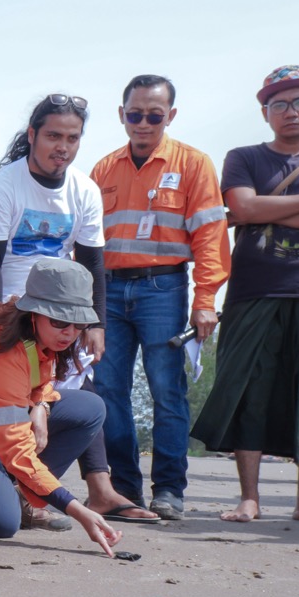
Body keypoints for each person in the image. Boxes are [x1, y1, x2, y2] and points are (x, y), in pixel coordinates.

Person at [0, 93, 156, 528]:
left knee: (77, 395)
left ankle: (76, 489)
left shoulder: (84, 189)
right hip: (10, 304)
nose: (62, 146)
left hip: (62, 306)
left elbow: (91, 262)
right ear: (32, 135)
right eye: (52, 135)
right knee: (4, 401)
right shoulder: (2, 187)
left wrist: (96, 323)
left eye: (72, 138)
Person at [192, 65, 299, 527]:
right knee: (250, 389)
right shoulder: (243, 156)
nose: (291, 112)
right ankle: (250, 497)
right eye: (280, 104)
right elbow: (243, 206)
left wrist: (268, 211)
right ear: (265, 112)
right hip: (253, 289)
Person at [89, 75, 230, 520]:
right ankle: (124, 488)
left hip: (163, 288)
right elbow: (85, 242)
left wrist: (205, 299)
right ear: (121, 115)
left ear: (170, 116)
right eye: (135, 114)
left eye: (154, 115)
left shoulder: (194, 164)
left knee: (168, 390)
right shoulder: (103, 168)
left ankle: (169, 489)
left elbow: (210, 236)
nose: (144, 123)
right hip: (107, 290)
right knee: (109, 390)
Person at [0, 258, 122, 556]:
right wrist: (78, 510)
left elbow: (42, 381)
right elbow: (15, 450)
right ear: (33, 313)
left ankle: (21, 495)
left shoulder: (43, 337)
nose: (69, 332)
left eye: (78, 323)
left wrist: (40, 404)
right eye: (59, 321)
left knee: (88, 407)